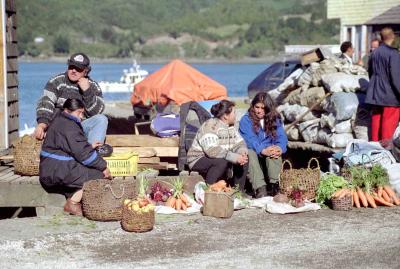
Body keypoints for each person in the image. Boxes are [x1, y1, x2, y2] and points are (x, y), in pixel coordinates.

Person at [39, 98, 111, 216]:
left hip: (51, 167)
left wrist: (89, 146)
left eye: (82, 113)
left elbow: (71, 147)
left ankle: (74, 197)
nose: (82, 116)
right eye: (79, 112)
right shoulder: (69, 126)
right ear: (68, 111)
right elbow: (83, 154)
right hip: (55, 171)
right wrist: (103, 167)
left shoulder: (60, 120)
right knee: (99, 175)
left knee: (85, 171)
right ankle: (72, 203)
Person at [33, 52, 108, 144]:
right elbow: (45, 103)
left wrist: (87, 91)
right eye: (71, 67)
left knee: (102, 119)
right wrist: (42, 125)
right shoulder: (57, 81)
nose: (73, 71)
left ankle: (93, 153)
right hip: (60, 128)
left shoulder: (93, 86)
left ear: (86, 71)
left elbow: (96, 113)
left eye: (78, 69)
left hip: (80, 128)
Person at [187, 100, 249, 192]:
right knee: (222, 162)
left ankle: (238, 192)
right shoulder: (210, 126)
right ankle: (209, 190)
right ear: (225, 116)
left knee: (244, 159)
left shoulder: (230, 127)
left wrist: (241, 153)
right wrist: (234, 157)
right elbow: (212, 151)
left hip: (221, 156)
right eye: (234, 113)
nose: (236, 115)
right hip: (198, 158)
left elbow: (239, 143)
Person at [239, 92, 288, 198]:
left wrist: (280, 147)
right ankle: (260, 188)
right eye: (257, 107)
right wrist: (262, 149)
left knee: (274, 150)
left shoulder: (275, 118)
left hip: (267, 149)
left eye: (263, 108)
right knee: (250, 153)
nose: (259, 110)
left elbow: (281, 136)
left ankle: (275, 185)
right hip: (253, 149)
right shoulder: (246, 120)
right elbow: (249, 139)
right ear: (253, 106)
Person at [366, 27, 400, 143]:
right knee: (389, 121)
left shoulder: (374, 53)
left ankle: (374, 146)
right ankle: (386, 149)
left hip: (375, 93)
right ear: (392, 37)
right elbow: (396, 77)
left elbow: (370, 72)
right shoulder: (393, 53)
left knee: (376, 119)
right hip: (390, 94)